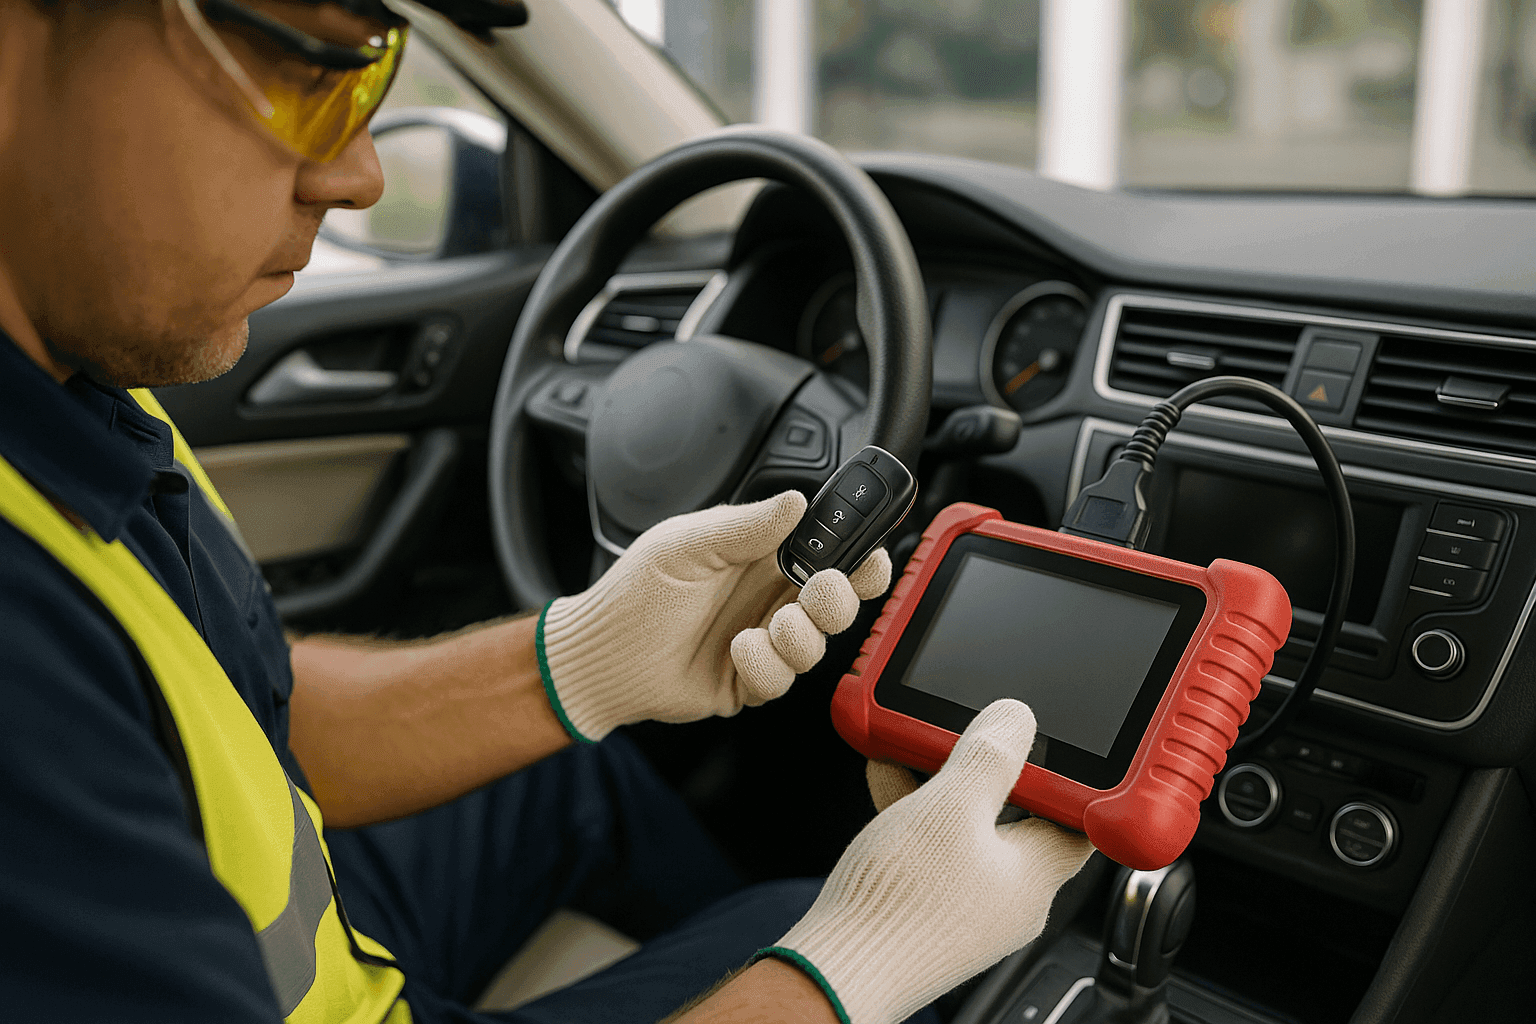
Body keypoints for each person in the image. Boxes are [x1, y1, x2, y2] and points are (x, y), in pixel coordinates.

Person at [0, 2, 1094, 1023]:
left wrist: (581, 660)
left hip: (301, 938)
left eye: (377, 75)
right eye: (314, 68)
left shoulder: (75, 380)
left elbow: (251, 719)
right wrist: (857, 962)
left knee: (576, 771)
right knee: (814, 928)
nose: (360, 173)